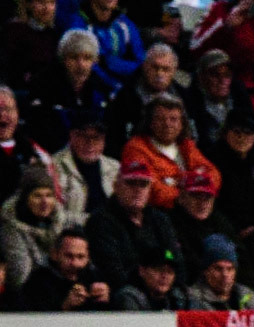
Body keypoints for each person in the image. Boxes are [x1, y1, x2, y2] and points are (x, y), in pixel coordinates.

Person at [85, 159, 186, 290]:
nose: (137, 190)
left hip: (164, 291)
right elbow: (112, 272)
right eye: (131, 183)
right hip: (124, 295)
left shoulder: (161, 220)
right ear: (116, 186)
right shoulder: (100, 221)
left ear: (150, 189)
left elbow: (175, 260)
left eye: (143, 184)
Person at [120, 94, 222, 212]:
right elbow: (152, 190)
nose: (167, 124)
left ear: (181, 124)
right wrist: (191, 189)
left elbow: (214, 175)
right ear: (150, 123)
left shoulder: (186, 145)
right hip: (159, 212)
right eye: (160, 119)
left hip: (195, 208)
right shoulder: (136, 147)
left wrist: (179, 180)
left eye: (173, 119)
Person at [0, 87, 54, 211]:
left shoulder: (36, 152)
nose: (2, 114)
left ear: (17, 115)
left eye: (8, 109)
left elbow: (51, 193)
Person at [0, 165, 68, 290]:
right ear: (25, 199)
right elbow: (20, 277)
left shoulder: (62, 221)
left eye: (49, 195)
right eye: (37, 196)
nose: (45, 202)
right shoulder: (12, 227)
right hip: (30, 295)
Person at [21, 227, 111, 311]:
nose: (75, 263)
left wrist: (106, 298)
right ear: (54, 254)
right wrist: (65, 306)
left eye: (80, 257)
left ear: (88, 257)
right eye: (69, 256)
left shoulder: (95, 277)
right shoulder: (38, 282)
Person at [186, 234, 254, 309]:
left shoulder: (248, 296)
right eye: (218, 269)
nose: (225, 274)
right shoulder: (192, 299)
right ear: (206, 271)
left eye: (230, 269)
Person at [113, 244, 190, 309]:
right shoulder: (129, 297)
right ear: (142, 271)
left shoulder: (179, 297)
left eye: (170, 272)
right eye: (159, 270)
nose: (164, 276)